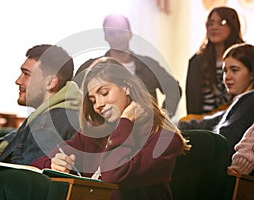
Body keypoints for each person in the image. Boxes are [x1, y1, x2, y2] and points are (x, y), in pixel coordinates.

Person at [32, 57, 190, 200]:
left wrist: (126, 122)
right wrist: (54, 164)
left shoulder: (165, 140)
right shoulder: (94, 134)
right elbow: (40, 163)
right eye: (93, 100)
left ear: (127, 87)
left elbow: (114, 175)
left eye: (104, 93)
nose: (98, 105)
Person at [0, 44, 81, 167]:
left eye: (26, 74)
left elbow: (25, 174)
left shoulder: (50, 123)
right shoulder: (50, 113)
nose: (18, 81)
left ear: (51, 82)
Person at [74, 14, 181, 118]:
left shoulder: (149, 65)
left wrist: (161, 117)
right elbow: (71, 95)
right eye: (111, 33)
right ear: (105, 37)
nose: (117, 36)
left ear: (130, 33)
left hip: (145, 130)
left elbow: (173, 89)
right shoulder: (90, 68)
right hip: (105, 131)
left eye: (121, 31)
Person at [179, 43, 254, 165]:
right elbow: (207, 122)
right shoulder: (240, 102)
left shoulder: (250, 101)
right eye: (225, 71)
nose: (227, 77)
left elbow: (226, 139)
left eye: (234, 70)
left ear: (252, 73)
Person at [185, 7, 244, 115]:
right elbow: (192, 104)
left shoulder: (246, 57)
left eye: (222, 22)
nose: (214, 27)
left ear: (233, 25)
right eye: (210, 23)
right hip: (203, 125)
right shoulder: (197, 61)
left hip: (237, 123)